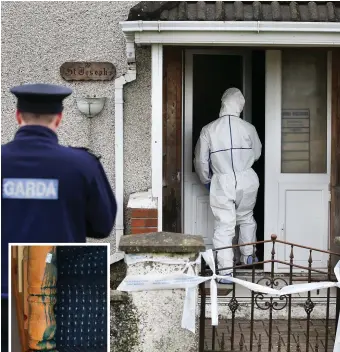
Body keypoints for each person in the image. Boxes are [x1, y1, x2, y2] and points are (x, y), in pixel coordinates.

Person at [1, 83, 117, 350]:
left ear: (18, 117)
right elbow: (102, 226)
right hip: (56, 297)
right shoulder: (82, 165)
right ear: (59, 118)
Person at [194, 87, 262, 284]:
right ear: (240, 105)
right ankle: (248, 256)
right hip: (247, 178)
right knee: (247, 218)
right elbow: (257, 153)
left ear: (223, 103)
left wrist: (206, 179)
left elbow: (201, 161)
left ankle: (225, 272)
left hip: (222, 180)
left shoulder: (209, 129)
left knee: (225, 225)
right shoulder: (249, 128)